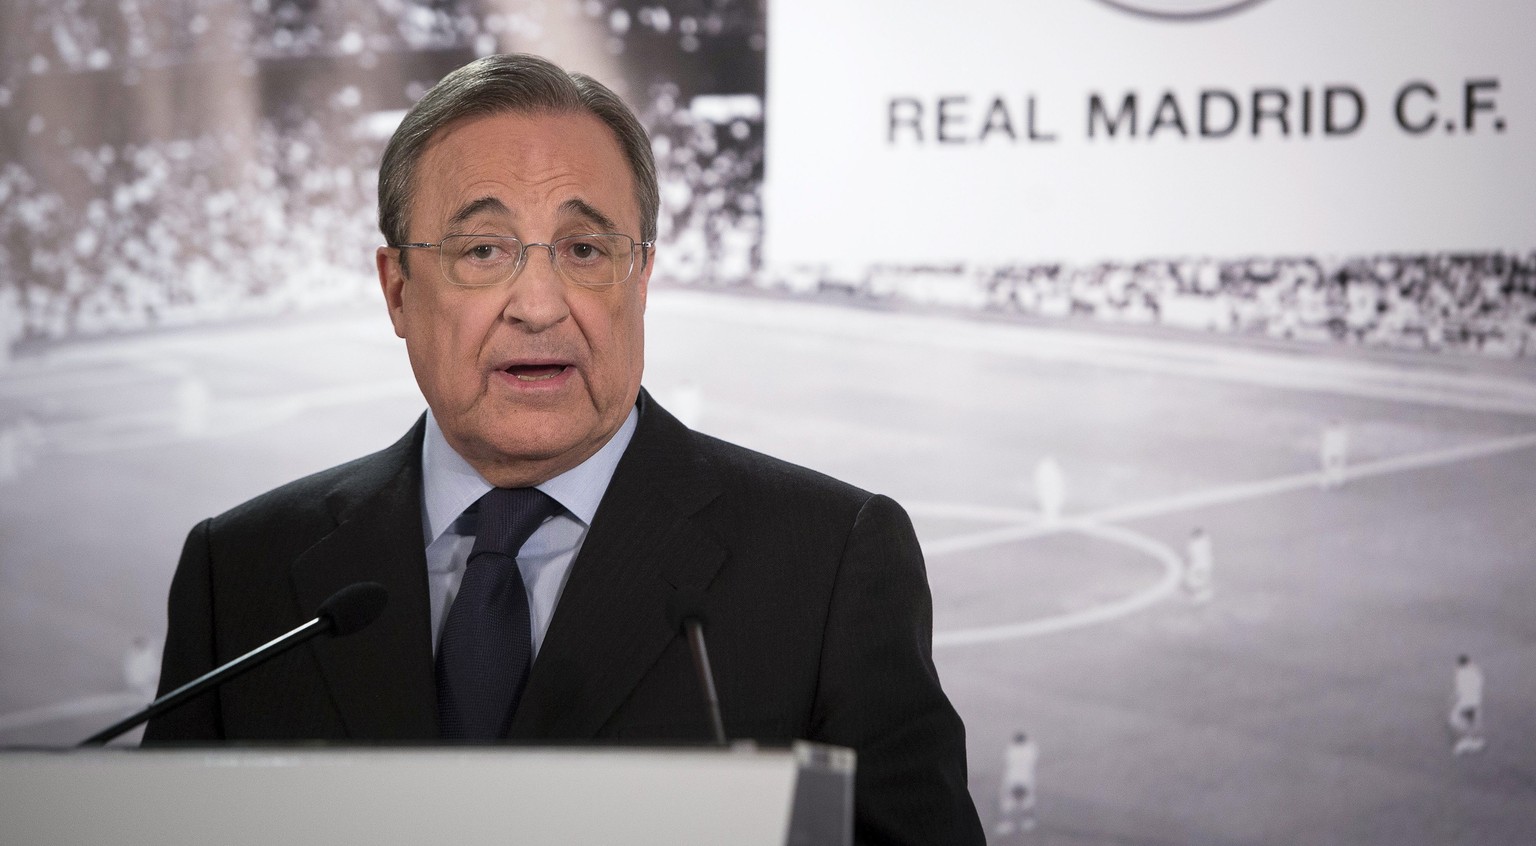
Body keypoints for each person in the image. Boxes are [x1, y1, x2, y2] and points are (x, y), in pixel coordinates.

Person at [142, 53, 983, 844]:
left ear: (642, 277)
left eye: (585, 250)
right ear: (397, 289)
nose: (539, 305)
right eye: (483, 251)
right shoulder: (242, 573)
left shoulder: (832, 563)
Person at [995, 731, 1039, 836]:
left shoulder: (1012, 750)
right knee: (1027, 801)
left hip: (1013, 779)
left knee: (1008, 802)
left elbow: (1007, 759)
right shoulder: (1031, 750)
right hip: (1026, 780)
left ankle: (1007, 824)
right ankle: (1027, 823)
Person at [1448, 654, 1485, 755]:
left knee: (1455, 720)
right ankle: (1473, 740)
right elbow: (1479, 683)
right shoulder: (1476, 673)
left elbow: (1460, 690)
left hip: (1465, 703)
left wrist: (1454, 698)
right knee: (1472, 721)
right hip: (1475, 702)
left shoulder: (1460, 674)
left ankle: (1466, 742)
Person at [1183, 526, 1214, 603]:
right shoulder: (1205, 541)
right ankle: (1202, 593)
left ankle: (1201, 595)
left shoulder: (1194, 544)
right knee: (1200, 579)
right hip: (1205, 564)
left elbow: (1190, 555)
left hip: (1199, 565)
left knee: (1196, 580)